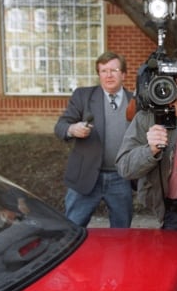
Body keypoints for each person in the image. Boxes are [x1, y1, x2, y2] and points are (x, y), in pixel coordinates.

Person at [116, 45, 177, 288]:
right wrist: (149, 151)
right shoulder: (149, 117)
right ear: (175, 74)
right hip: (172, 214)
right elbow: (124, 167)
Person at [53, 51, 134, 228]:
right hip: (86, 175)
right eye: (103, 71)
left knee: (122, 232)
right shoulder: (83, 96)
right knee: (72, 229)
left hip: (121, 177)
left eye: (114, 70)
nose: (109, 75)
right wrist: (73, 129)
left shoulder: (135, 101)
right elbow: (60, 126)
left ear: (123, 74)